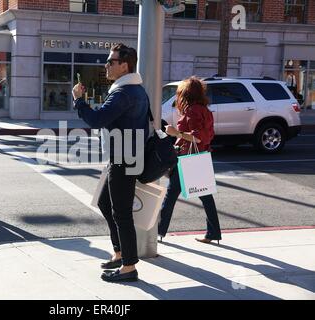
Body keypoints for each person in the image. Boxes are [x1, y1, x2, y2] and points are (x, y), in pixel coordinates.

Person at [72, 43, 149, 282]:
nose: (106, 65)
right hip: (127, 155)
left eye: (111, 61)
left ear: (124, 65)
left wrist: (79, 100)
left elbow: (96, 120)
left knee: (122, 213)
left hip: (124, 158)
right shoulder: (135, 90)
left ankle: (129, 267)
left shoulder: (123, 92)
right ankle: (120, 254)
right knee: (106, 203)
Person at [158, 76, 222, 244]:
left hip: (188, 158)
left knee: (171, 195)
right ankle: (213, 233)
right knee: (206, 197)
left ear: (186, 94)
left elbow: (198, 137)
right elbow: (207, 136)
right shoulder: (205, 110)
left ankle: (158, 232)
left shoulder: (192, 111)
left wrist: (175, 133)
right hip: (200, 157)